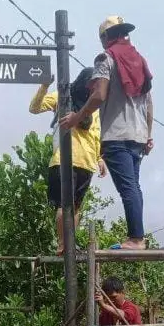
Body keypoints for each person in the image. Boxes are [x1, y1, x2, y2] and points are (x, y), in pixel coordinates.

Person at [60, 16, 153, 250]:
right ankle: (138, 237)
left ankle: (136, 239)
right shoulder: (140, 61)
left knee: (128, 188)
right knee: (134, 186)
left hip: (116, 135)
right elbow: (149, 103)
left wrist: (76, 118)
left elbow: (99, 95)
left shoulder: (106, 58)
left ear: (104, 38)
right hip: (138, 135)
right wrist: (148, 135)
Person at [29, 70, 106, 254]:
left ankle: (70, 243)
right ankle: (63, 244)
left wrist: (100, 158)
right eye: (92, 84)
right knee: (65, 205)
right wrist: (45, 85)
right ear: (85, 82)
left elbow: (96, 135)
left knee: (76, 207)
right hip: (64, 159)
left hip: (87, 163)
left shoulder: (94, 107)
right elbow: (34, 108)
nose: (94, 88)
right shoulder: (64, 97)